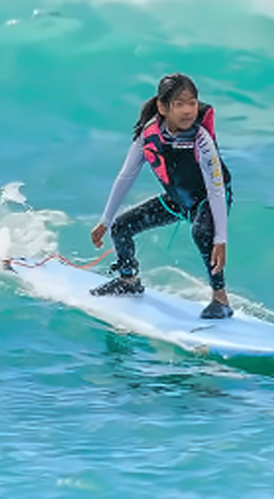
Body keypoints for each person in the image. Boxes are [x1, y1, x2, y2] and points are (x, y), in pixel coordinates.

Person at [90, 73, 234, 319]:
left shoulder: (201, 138)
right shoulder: (149, 134)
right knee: (121, 227)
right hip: (177, 201)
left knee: (201, 232)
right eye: (180, 104)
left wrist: (220, 238)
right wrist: (105, 220)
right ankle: (128, 280)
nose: (188, 110)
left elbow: (216, 189)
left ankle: (220, 298)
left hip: (207, 201)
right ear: (162, 107)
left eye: (192, 102)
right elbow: (126, 177)